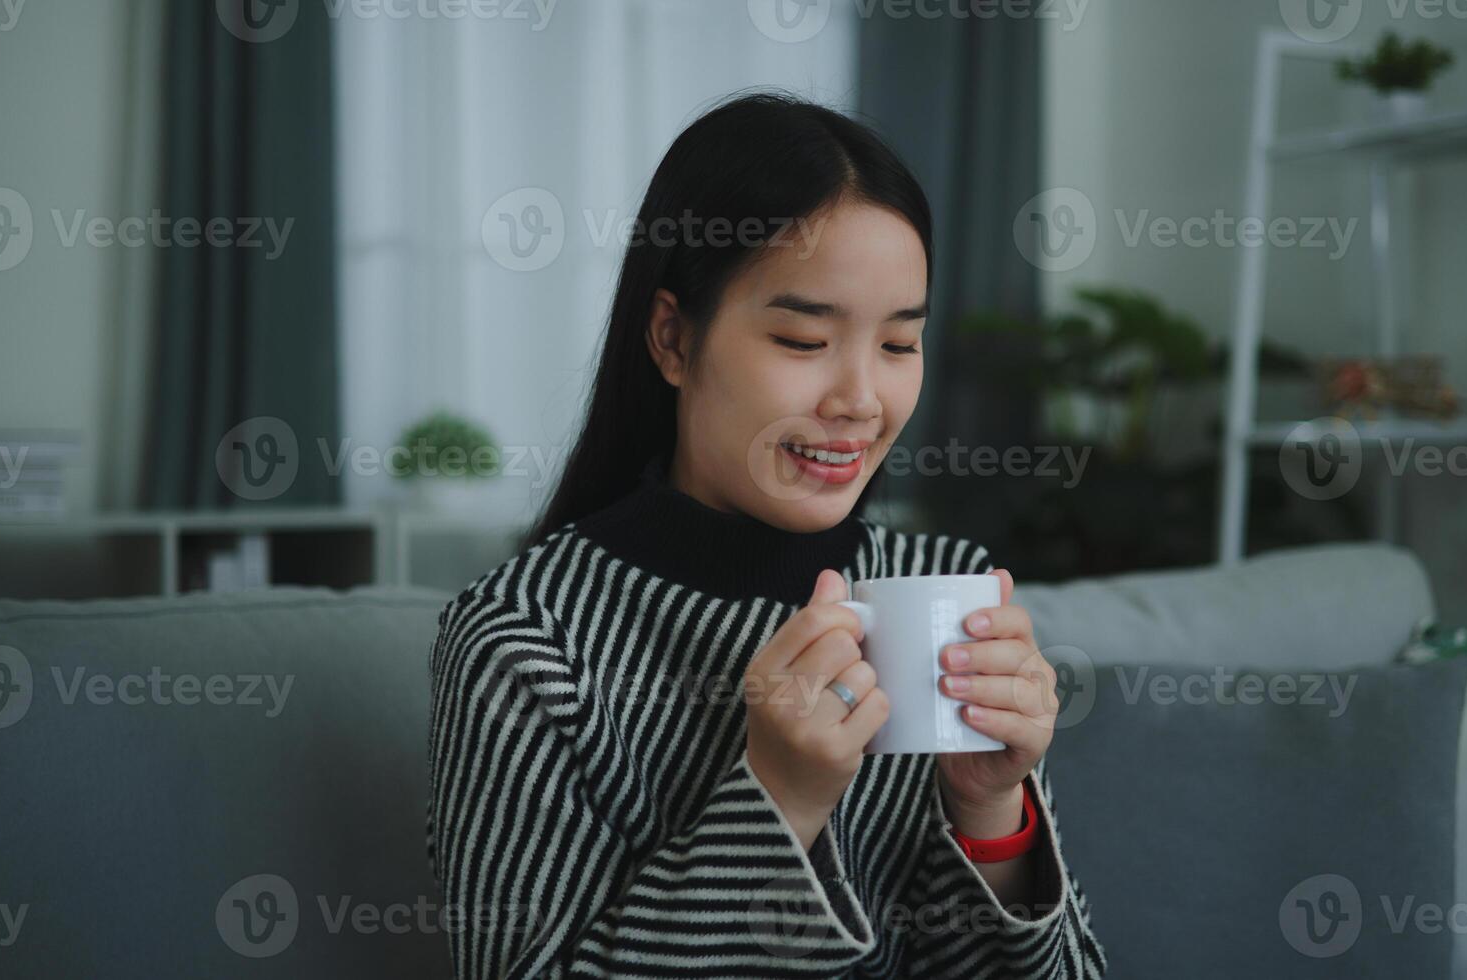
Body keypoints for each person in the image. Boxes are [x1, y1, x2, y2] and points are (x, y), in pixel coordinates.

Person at [427, 91, 1109, 979]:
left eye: (900, 346)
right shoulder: (526, 641)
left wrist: (990, 816)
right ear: (673, 339)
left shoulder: (945, 588)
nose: (861, 400)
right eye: (800, 338)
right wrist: (777, 802)